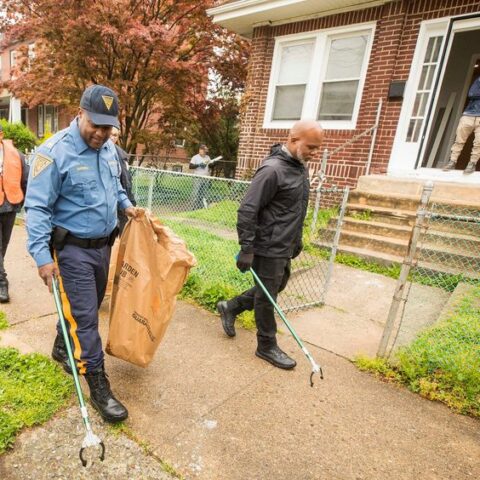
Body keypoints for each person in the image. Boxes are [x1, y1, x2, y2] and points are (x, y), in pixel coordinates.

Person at [25, 84, 139, 423]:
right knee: (88, 318)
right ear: (79, 114)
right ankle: (99, 385)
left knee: (81, 309)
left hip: (104, 246)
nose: (103, 133)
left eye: (109, 127)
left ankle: (62, 346)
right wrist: (42, 258)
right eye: (96, 125)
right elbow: (37, 208)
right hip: (71, 251)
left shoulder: (107, 150)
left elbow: (115, 185)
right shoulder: (53, 153)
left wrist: (127, 206)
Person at [217, 120, 324, 369]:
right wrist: (247, 248)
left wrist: (296, 240)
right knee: (268, 297)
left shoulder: (298, 166)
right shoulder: (272, 170)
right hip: (267, 245)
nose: (315, 153)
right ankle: (266, 345)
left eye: (318, 148)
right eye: (311, 146)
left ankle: (231, 307)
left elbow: (294, 208)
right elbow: (247, 209)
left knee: (276, 286)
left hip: (284, 243)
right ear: (294, 140)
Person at [0, 125, 29, 303]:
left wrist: (20, 203)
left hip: (10, 205)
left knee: (4, 245)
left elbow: (25, 179)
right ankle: (2, 283)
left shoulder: (16, 154)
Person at [444, 76, 480, 174]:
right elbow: (472, 93)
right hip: (468, 115)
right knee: (459, 140)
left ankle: (472, 163)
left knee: (479, 143)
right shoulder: (479, 79)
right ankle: (452, 161)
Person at [110, 126, 136, 234]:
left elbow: (126, 180)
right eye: (110, 134)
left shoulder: (122, 155)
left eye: (115, 135)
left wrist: (131, 202)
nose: (111, 137)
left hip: (122, 203)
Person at [189, 144, 212, 209]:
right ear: (200, 150)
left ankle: (201, 208)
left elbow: (210, 166)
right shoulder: (195, 157)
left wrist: (213, 164)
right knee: (196, 194)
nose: (204, 152)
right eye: (203, 150)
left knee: (204, 194)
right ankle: (193, 208)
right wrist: (199, 165)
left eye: (205, 151)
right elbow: (190, 166)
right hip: (197, 178)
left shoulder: (207, 157)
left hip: (206, 178)